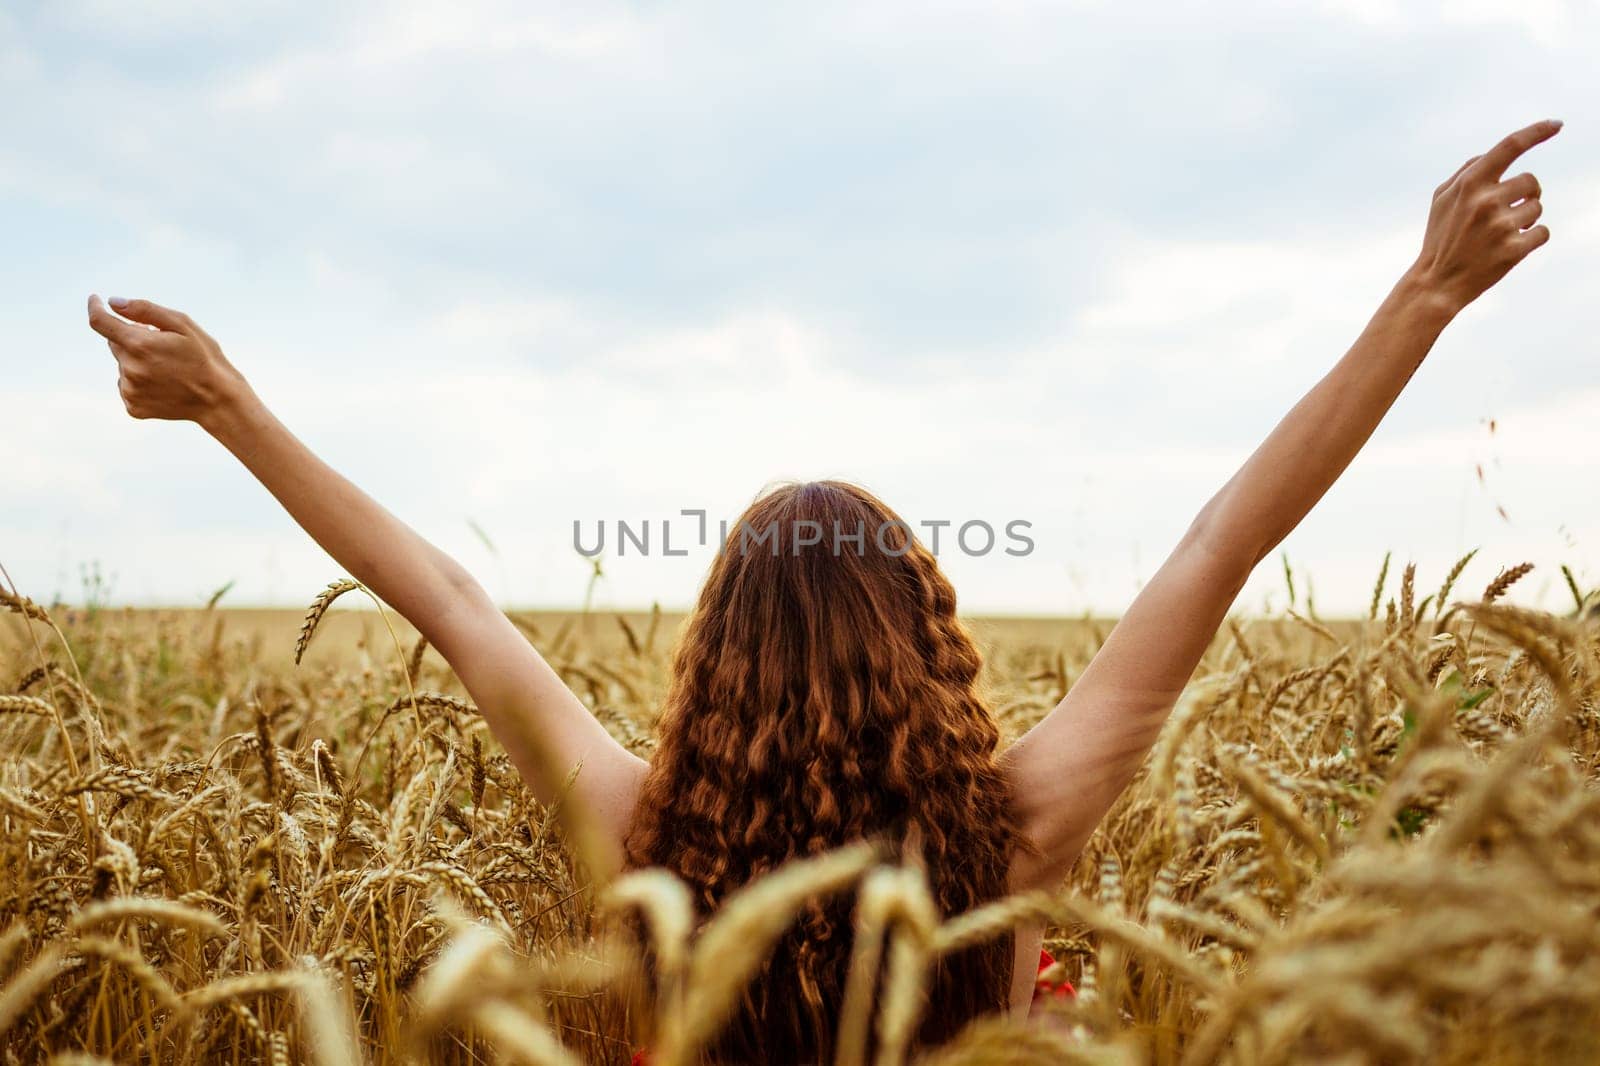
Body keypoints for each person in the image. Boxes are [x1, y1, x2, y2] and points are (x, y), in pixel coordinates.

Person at [85, 118, 1560, 1062]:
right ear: (924, 642)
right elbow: (1220, 542)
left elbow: (455, 604)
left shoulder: (641, 839)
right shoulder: (1017, 839)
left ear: (714, 659)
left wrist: (229, 405)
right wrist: (1423, 298)